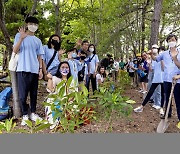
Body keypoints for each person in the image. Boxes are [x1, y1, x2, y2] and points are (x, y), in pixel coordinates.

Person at [13, 16, 44, 125]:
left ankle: (33, 113)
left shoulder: (38, 40)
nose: (33, 26)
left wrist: (40, 70)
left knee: (34, 93)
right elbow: (15, 50)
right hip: (22, 69)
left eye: (35, 24)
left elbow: (40, 56)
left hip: (34, 70)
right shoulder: (19, 36)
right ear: (27, 24)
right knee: (22, 94)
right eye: (31, 23)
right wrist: (21, 38)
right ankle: (25, 114)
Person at [148, 34, 180, 122]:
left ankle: (179, 117)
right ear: (167, 42)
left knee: (178, 99)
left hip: (177, 80)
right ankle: (167, 114)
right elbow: (156, 59)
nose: (171, 42)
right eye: (169, 40)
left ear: (176, 41)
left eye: (173, 40)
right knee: (167, 98)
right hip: (166, 79)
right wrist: (151, 54)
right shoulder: (164, 54)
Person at [134, 45, 165, 114]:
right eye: (153, 48)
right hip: (156, 78)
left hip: (163, 78)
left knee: (162, 93)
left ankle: (161, 108)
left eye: (156, 48)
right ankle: (141, 107)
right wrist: (149, 64)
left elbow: (163, 68)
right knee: (150, 92)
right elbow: (151, 69)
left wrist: (162, 59)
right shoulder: (154, 59)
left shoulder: (163, 58)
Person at [46, 61, 73, 129]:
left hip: (67, 101)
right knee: (56, 106)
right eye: (63, 67)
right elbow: (51, 90)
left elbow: (73, 93)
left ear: (69, 69)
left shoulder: (71, 80)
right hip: (56, 100)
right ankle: (55, 122)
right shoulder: (55, 78)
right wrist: (50, 78)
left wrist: (68, 101)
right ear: (59, 69)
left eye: (67, 67)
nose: (65, 69)